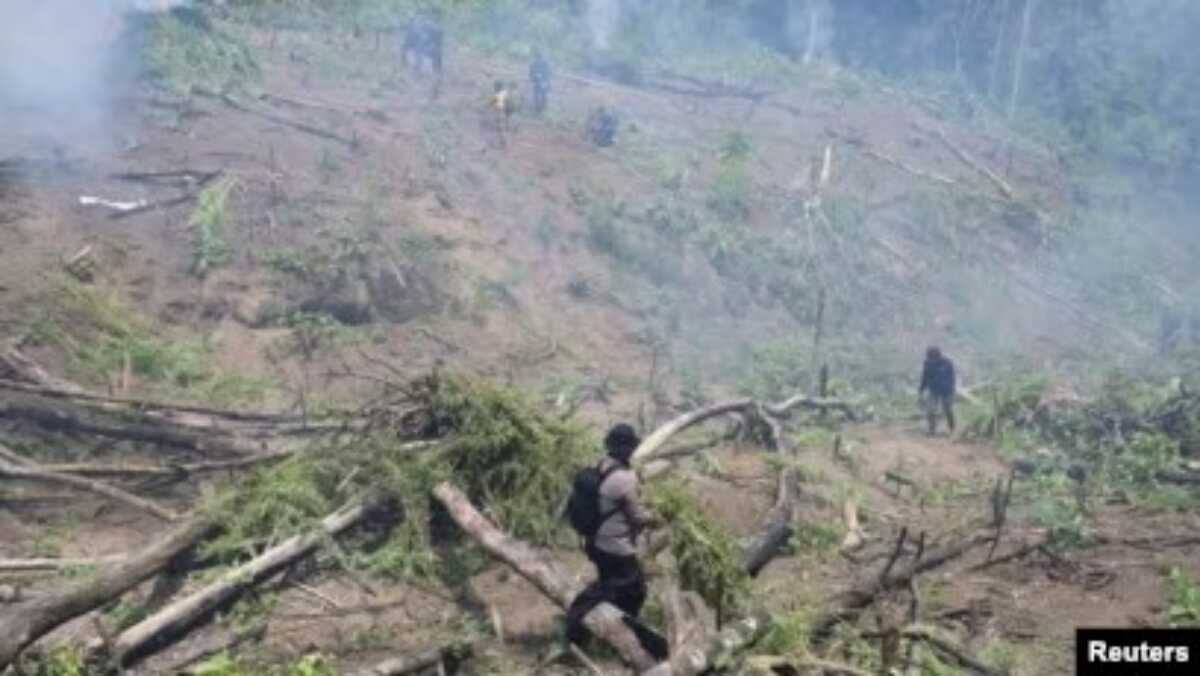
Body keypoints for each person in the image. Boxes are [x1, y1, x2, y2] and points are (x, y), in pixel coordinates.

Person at [565, 423, 667, 659]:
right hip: (615, 547)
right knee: (634, 588)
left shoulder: (603, 465)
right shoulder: (624, 477)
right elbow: (637, 517)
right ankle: (577, 622)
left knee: (616, 584)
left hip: (595, 543)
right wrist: (659, 518)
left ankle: (612, 627)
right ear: (628, 448)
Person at [918, 346, 956, 436]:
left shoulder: (947, 363)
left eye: (932, 357)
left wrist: (951, 389)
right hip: (933, 390)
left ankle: (952, 428)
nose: (931, 359)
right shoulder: (927, 363)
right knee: (930, 410)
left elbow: (952, 378)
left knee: (948, 410)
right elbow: (925, 377)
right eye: (929, 357)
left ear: (938, 356)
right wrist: (921, 389)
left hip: (947, 390)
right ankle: (932, 430)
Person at [529, 48, 551, 114]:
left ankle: (542, 108)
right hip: (537, 82)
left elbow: (549, 73)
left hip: (544, 82)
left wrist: (546, 81)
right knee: (537, 96)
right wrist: (535, 77)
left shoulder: (545, 64)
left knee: (543, 96)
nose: (539, 59)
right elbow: (530, 74)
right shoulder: (533, 64)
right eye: (538, 58)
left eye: (540, 58)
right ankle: (537, 109)